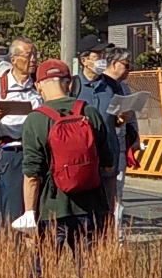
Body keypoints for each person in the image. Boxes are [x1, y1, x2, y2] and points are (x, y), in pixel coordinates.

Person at [19, 58, 115, 252]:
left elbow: (32, 176)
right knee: (88, 273)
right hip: (90, 207)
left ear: (38, 86)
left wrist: (29, 215)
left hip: (51, 210)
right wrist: (109, 210)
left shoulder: (35, 120)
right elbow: (108, 166)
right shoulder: (90, 112)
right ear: (70, 83)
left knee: (43, 274)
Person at [0, 37, 40, 228]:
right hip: (11, 152)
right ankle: (14, 252)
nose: (33, 60)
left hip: (38, 151)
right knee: (12, 209)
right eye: (29, 55)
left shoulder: (39, 84)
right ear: (14, 59)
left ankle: (36, 253)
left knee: (37, 208)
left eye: (35, 55)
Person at [73, 37, 126, 234]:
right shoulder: (72, 86)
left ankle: (104, 247)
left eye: (104, 55)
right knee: (83, 208)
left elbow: (118, 119)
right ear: (84, 60)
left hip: (109, 156)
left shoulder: (113, 86)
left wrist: (122, 119)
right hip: (81, 158)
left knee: (108, 207)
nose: (102, 59)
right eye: (98, 56)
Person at [105, 50, 140, 238]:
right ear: (113, 63)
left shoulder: (125, 88)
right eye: (126, 65)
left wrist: (136, 138)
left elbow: (132, 115)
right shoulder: (101, 84)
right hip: (104, 142)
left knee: (118, 189)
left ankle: (116, 235)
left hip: (120, 140)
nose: (128, 69)